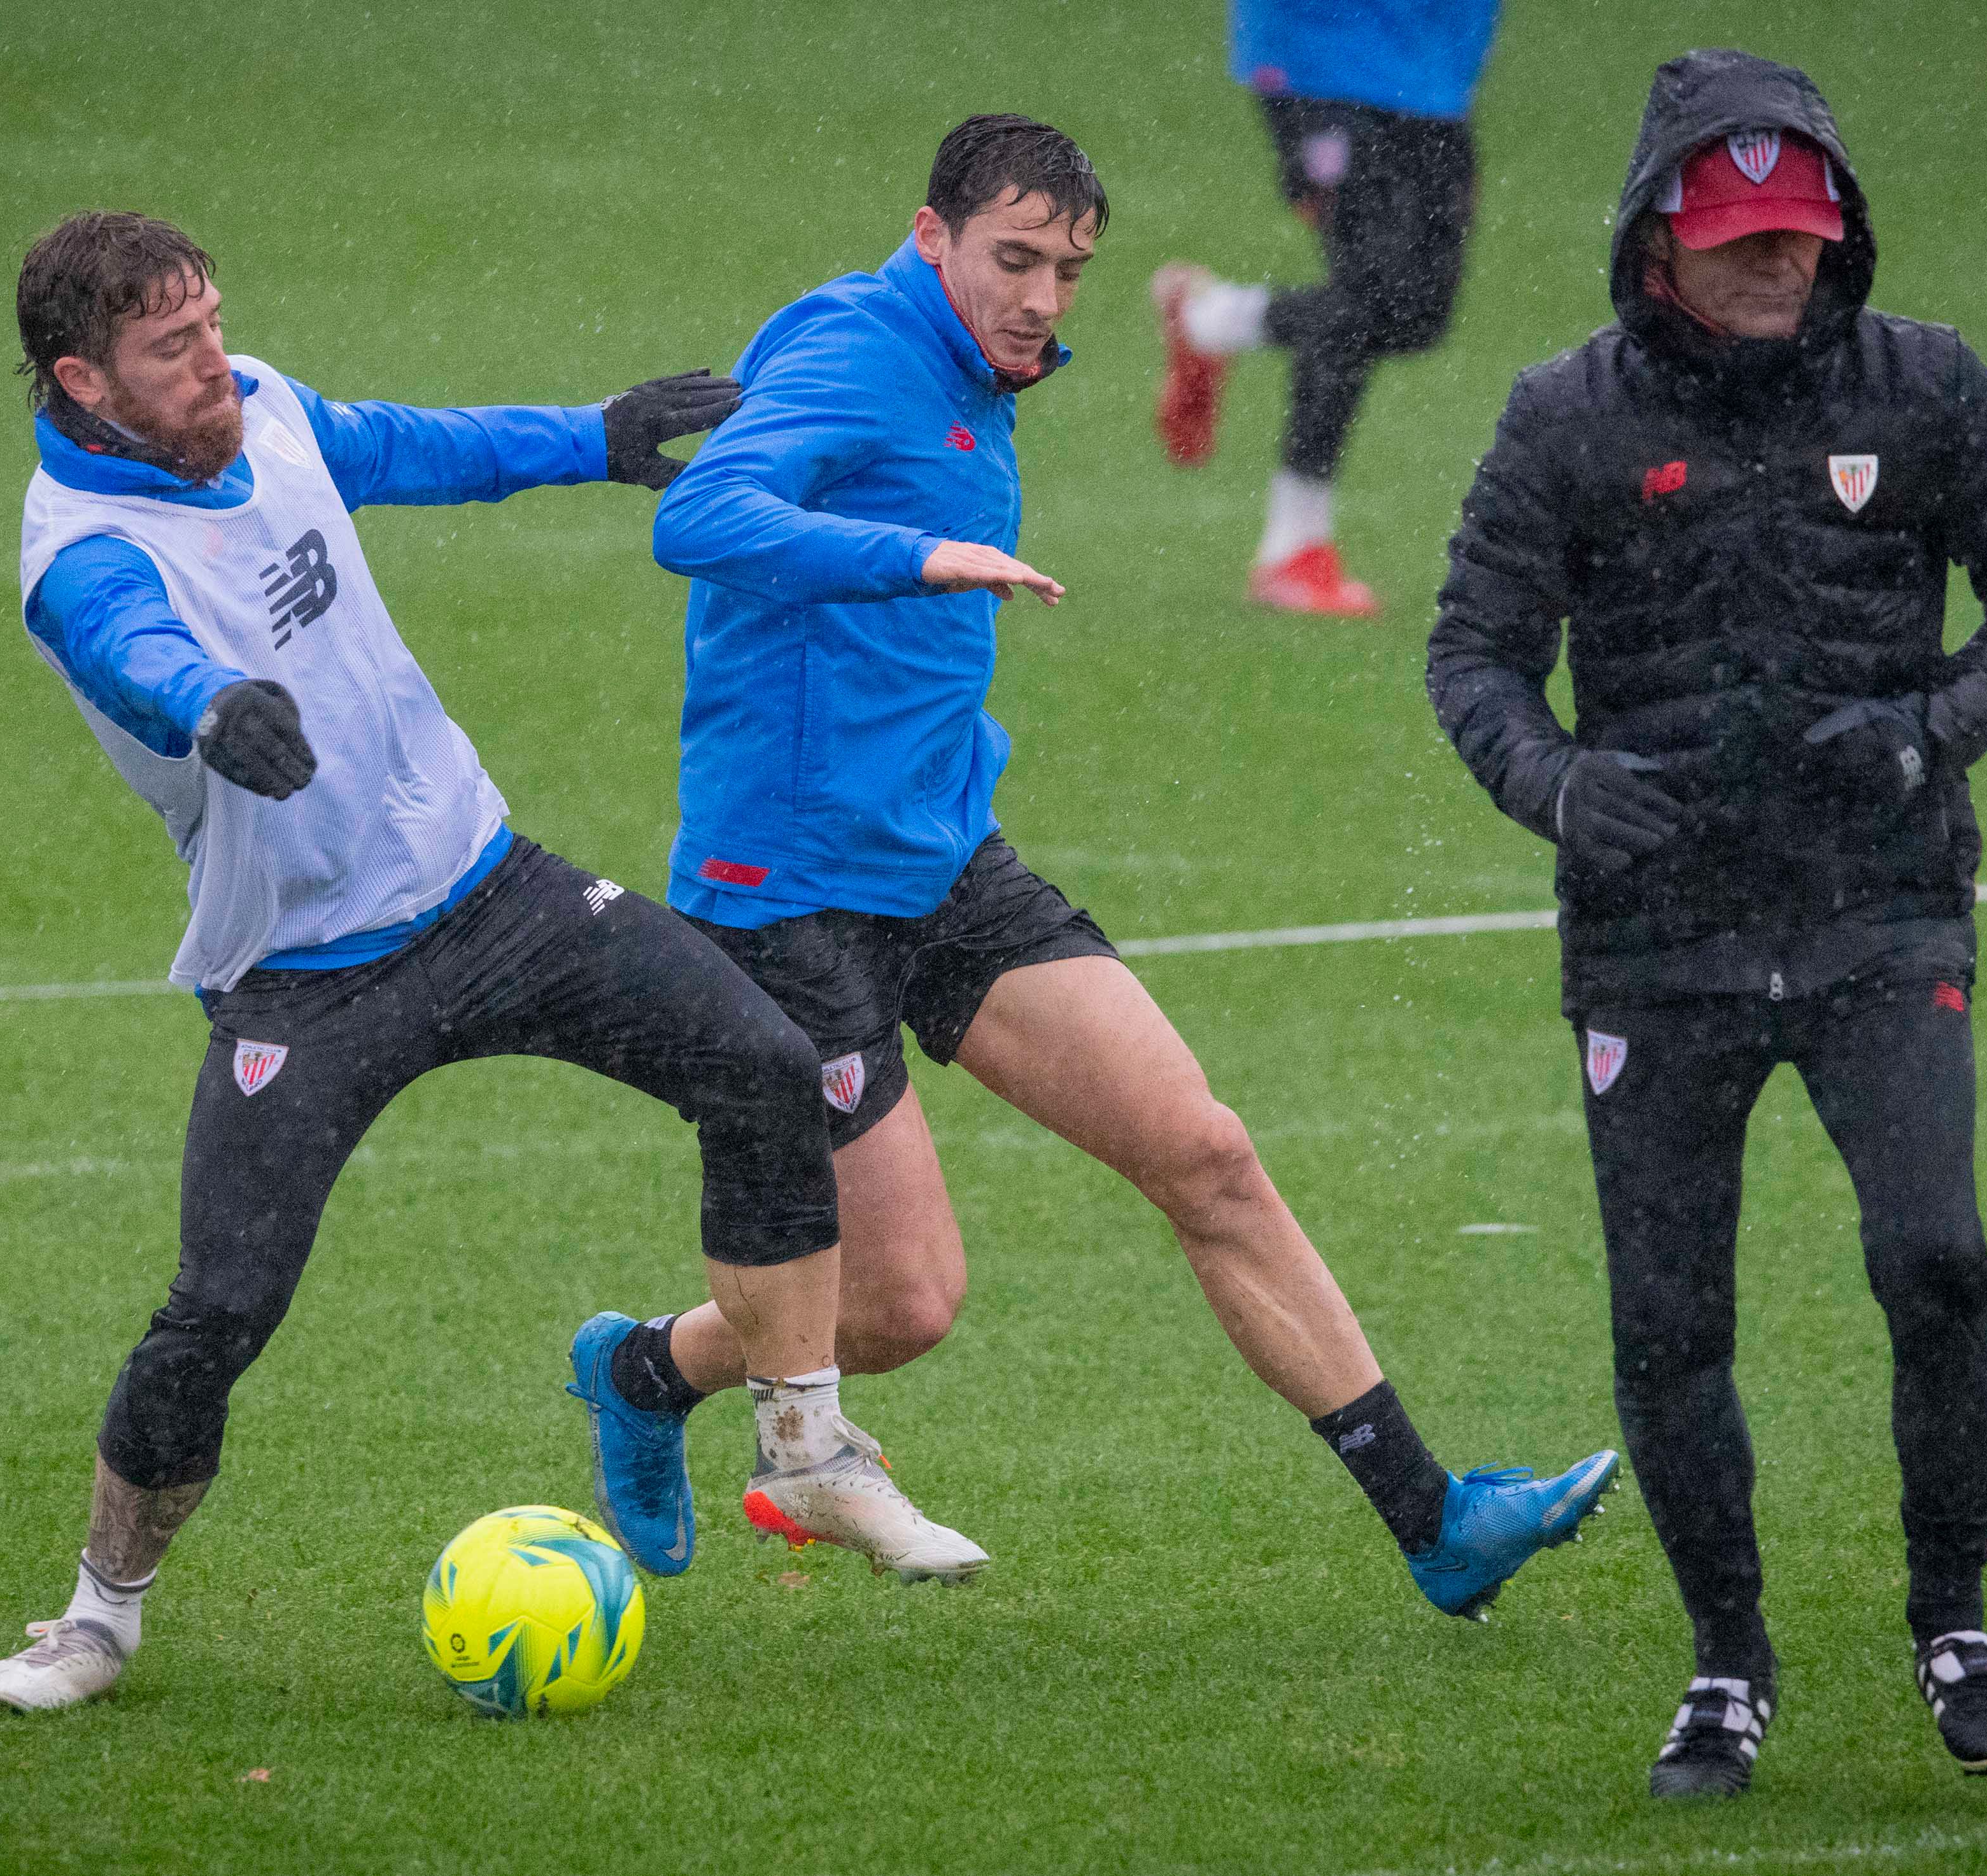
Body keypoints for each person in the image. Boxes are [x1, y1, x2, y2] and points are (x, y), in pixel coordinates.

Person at [565, 114, 1618, 1619]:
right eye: (1011, 260)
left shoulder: (975, 370)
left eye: (1066, 268)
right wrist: (915, 557)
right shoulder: (854, 354)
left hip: (941, 859)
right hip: (786, 888)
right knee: (904, 1305)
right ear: (929, 237)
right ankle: (642, 1370)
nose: (1043, 298)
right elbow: (700, 513)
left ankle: (1435, 1518)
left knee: (1203, 1154)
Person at [0, 212, 981, 1714]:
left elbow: (404, 446)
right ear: (82, 379)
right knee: (221, 1307)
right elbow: (131, 643)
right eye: (169, 351)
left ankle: (810, 1448)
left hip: (489, 891)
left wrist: (596, 435)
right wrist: (210, 706)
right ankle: (98, 1616)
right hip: (310, 976)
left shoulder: (261, 403)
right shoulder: (81, 552)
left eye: (209, 326)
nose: (212, 366)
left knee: (766, 1069)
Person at [1427, 50, 1987, 1793]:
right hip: (1652, 947)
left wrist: (1925, 728)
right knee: (1667, 1319)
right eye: (1736, 242)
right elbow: (1473, 658)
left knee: (1933, 1259)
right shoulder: (1559, 417)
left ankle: (1948, 1621)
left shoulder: (1927, 389)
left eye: (1794, 236)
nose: (1772, 267)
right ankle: (1724, 1664)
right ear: (1656, 238)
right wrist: (1562, 788)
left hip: (1880, 916)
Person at [1149, 0, 1500, 616]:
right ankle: (1293, 549)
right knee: (1367, 300)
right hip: (1327, 59)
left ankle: (1210, 320)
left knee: (1418, 313)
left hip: (1435, 69)